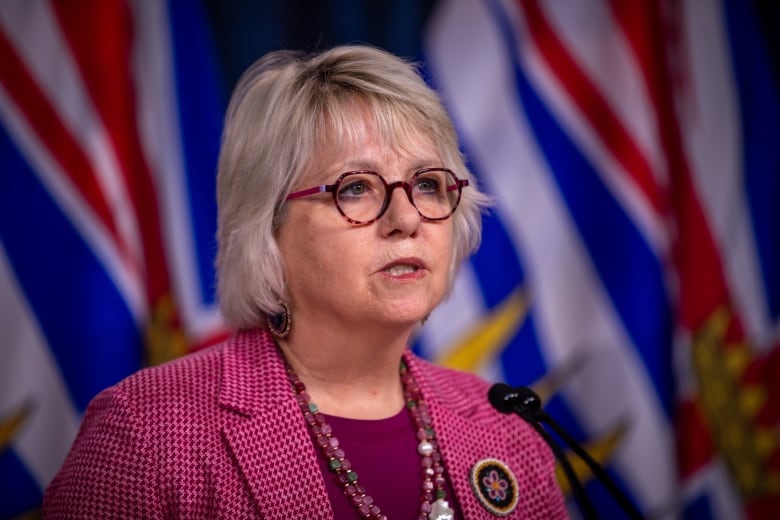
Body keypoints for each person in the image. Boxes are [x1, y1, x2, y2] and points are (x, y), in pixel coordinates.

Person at [43, 45, 567, 519]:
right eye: (357, 188)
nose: (407, 218)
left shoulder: (507, 427)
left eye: (428, 184)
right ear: (265, 228)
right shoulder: (147, 433)